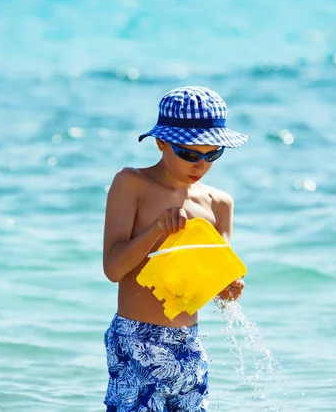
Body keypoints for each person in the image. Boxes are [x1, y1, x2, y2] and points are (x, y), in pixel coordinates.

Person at [102, 86, 248, 411]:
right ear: (161, 142)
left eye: (213, 155)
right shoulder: (132, 184)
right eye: (191, 154)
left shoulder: (219, 204)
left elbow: (215, 290)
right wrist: (156, 230)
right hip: (136, 341)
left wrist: (229, 289)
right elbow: (113, 269)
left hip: (190, 345)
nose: (201, 165)